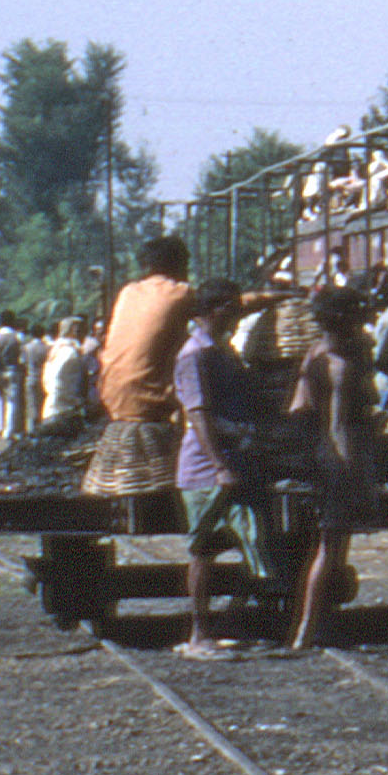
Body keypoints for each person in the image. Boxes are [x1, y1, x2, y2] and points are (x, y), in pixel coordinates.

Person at [170, 280, 274, 659]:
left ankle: (229, 622)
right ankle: (199, 635)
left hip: (235, 460)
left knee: (254, 542)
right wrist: (220, 466)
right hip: (206, 468)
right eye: (231, 308)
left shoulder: (222, 350)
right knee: (203, 550)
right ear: (213, 311)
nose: (237, 314)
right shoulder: (195, 355)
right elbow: (198, 415)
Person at [283, 285, 385, 653]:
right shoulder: (339, 365)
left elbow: (299, 408)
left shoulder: (315, 354)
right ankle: (307, 629)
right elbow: (337, 424)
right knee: (330, 548)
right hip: (339, 459)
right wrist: (346, 468)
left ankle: (319, 624)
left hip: (324, 455)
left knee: (333, 546)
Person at [98, 235, 200, 499]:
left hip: (111, 397)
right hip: (149, 402)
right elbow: (220, 303)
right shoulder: (181, 293)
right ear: (179, 265)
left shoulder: (128, 292)